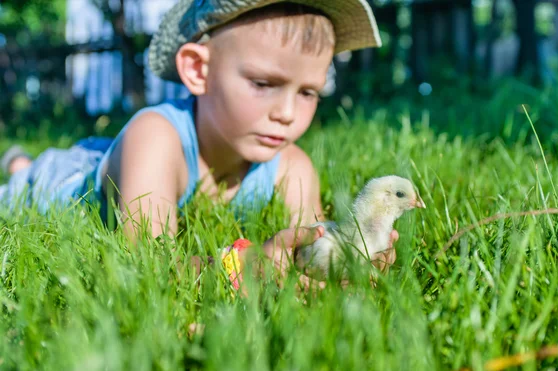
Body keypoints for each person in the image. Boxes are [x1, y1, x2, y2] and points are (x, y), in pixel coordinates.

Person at [0, 0, 398, 283]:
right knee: (31, 179)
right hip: (66, 181)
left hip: (124, 159)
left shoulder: (292, 168)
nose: (288, 113)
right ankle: (21, 166)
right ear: (197, 70)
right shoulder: (155, 140)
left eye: (309, 92)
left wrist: (347, 259)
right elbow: (148, 264)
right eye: (263, 83)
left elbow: (307, 249)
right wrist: (247, 264)